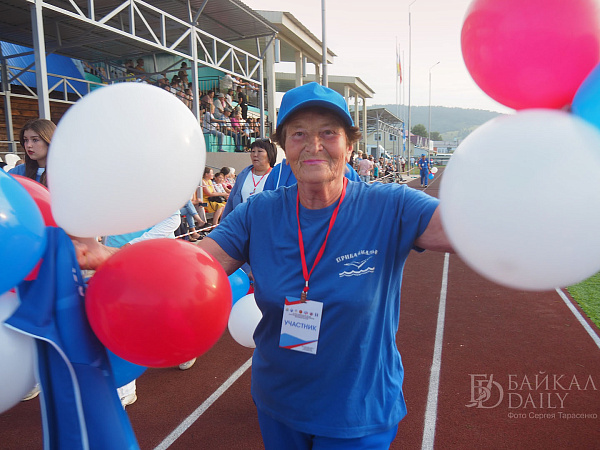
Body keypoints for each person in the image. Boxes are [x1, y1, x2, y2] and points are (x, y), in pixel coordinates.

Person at [73, 82, 453, 449]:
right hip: (280, 403)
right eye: (299, 134)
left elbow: (466, 232)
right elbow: (191, 266)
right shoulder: (260, 212)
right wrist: (112, 260)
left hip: (357, 410)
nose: (314, 145)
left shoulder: (390, 205)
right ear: (285, 146)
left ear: (350, 146)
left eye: (329, 132)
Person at [221, 138, 277, 219]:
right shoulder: (243, 175)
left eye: (260, 151)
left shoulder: (276, 176)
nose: (255, 155)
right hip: (242, 222)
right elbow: (231, 201)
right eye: (253, 151)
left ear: (270, 154)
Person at [9, 118, 56, 187]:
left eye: (35, 140)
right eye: (26, 140)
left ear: (49, 141)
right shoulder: (18, 172)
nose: (28, 145)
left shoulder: (66, 172)